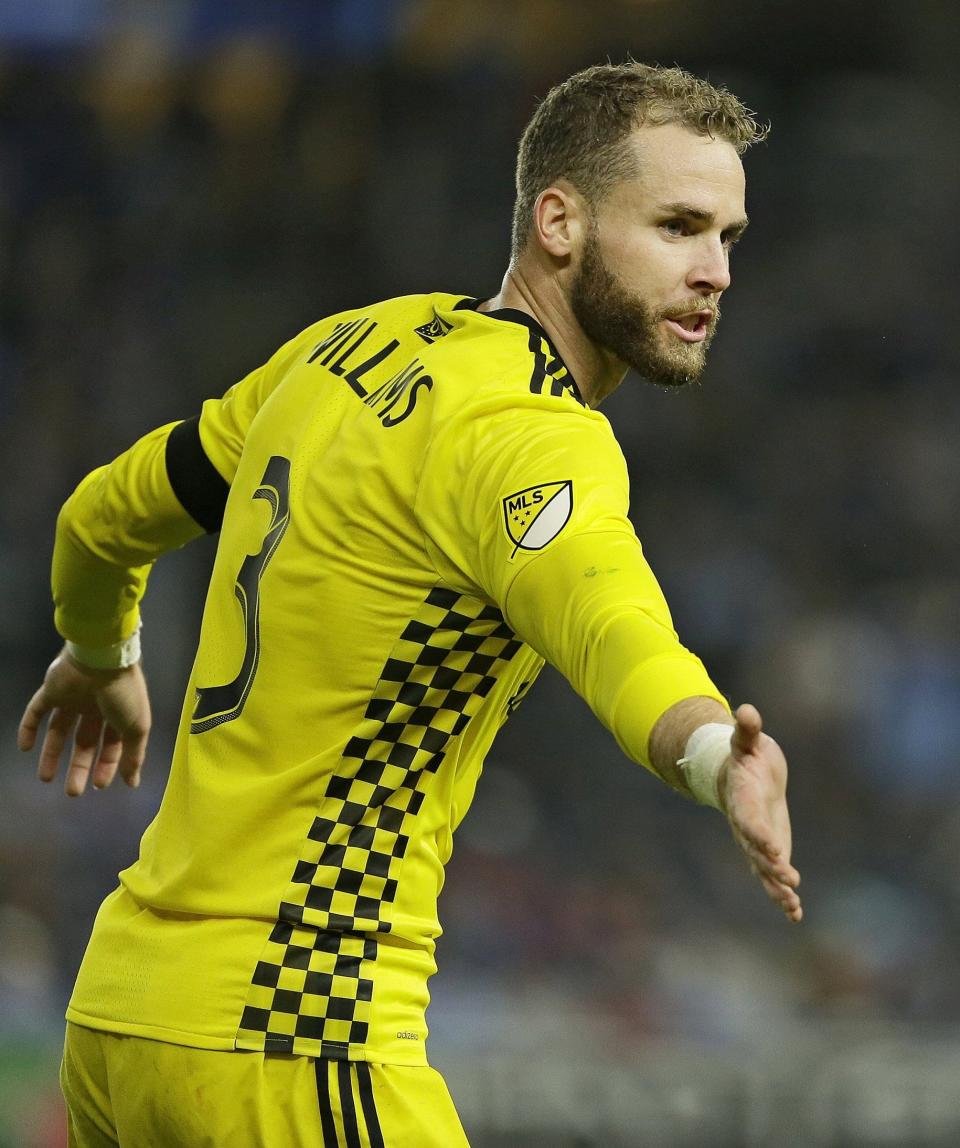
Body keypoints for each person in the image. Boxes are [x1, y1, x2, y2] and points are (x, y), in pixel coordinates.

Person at [19, 61, 801, 1147]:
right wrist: (718, 753)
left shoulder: (350, 347)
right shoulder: (531, 434)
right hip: (296, 1031)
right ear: (560, 220)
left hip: (122, 1019)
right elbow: (609, 621)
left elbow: (101, 519)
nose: (714, 270)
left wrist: (99, 646)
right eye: (678, 226)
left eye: (729, 235)